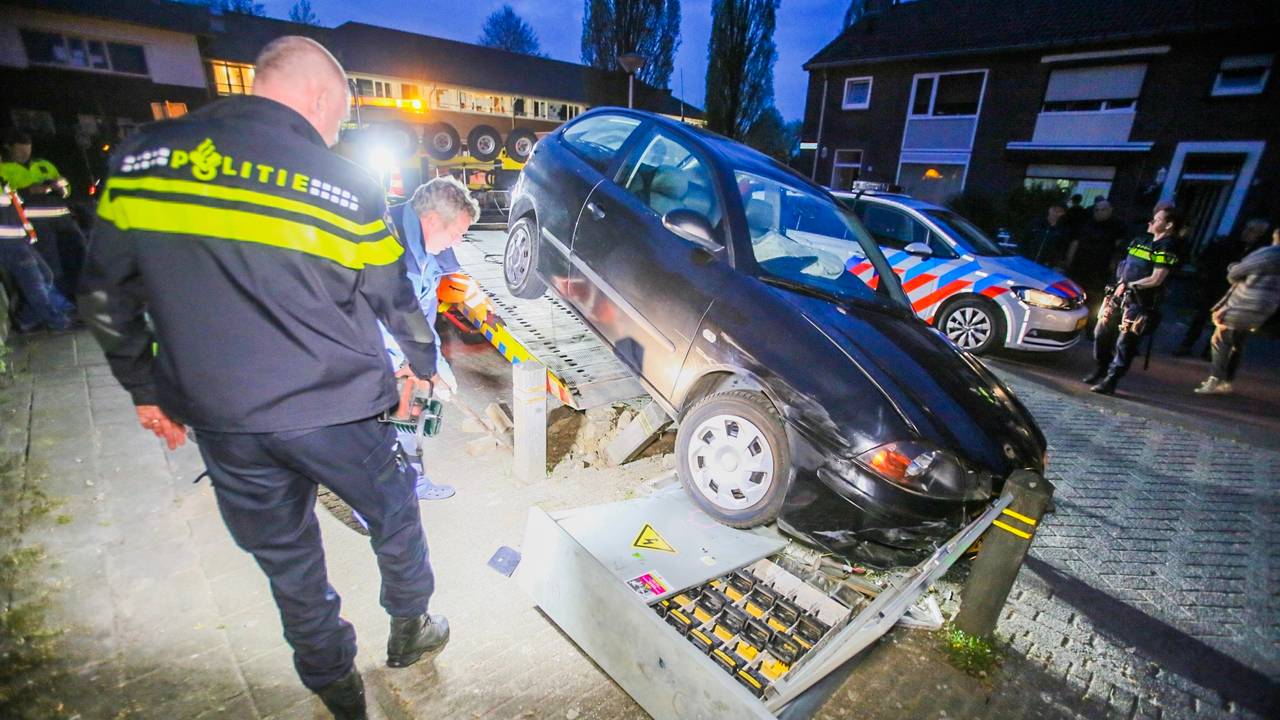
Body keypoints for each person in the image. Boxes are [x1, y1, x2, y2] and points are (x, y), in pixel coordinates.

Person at [79, 37, 448, 720]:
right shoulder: (342, 182)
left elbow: (104, 296)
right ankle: (409, 627)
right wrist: (422, 369)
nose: (334, 131)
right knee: (394, 508)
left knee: (288, 559)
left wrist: (146, 390)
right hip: (337, 409)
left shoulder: (144, 161)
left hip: (224, 419)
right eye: (337, 116)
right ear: (315, 95)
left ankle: (334, 685)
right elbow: (395, 298)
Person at [380, 176, 481, 501]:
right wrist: (415, 365)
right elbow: (381, 315)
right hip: (369, 355)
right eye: (455, 234)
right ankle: (373, 506)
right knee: (372, 435)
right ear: (432, 219)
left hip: (404, 350)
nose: (456, 241)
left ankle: (415, 483)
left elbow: (424, 313)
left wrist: (434, 362)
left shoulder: (433, 250)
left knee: (407, 413)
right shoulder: (386, 241)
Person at [1084, 206, 1184, 395]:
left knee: (1125, 341)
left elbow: (1157, 278)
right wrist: (1121, 284)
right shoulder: (1141, 241)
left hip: (1140, 302)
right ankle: (1101, 367)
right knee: (1101, 332)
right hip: (1119, 295)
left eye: (1157, 220)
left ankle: (1112, 379)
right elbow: (1125, 265)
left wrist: (1131, 286)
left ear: (1169, 225)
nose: (1151, 222)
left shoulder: (1167, 247)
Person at [1, 129, 88, 303]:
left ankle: (84, 300)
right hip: (35, 224)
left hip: (64, 220)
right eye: (20, 150)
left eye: (28, 149)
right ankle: (61, 306)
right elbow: (7, 197)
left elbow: (66, 189)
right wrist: (27, 191)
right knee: (51, 267)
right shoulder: (4, 169)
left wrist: (59, 186)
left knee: (80, 257)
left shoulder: (44, 164)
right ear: (10, 149)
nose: (25, 153)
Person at [1195, 227, 1280, 394]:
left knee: (1220, 339)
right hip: (1267, 307)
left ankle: (1215, 379)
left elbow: (1236, 273)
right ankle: (1227, 381)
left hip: (1244, 303)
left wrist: (1233, 268)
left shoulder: (1267, 254)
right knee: (1237, 341)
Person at [1175, 218, 1271, 357]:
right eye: (1246, 229)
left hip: (1236, 292)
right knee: (1200, 317)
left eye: (1251, 231)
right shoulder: (1227, 245)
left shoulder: (1259, 253)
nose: (1246, 233)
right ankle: (1186, 345)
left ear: (1259, 234)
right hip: (1215, 286)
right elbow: (1209, 260)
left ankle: (1210, 350)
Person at [1, 181, 71, 332]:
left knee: (46, 277)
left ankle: (27, 320)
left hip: (20, 239)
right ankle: (56, 321)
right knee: (35, 283)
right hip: (8, 242)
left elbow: (17, 208)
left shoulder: (4, 183)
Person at [1062, 199, 1128, 305]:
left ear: (1110, 210)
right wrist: (1069, 260)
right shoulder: (1086, 223)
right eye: (1097, 210)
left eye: (1103, 210)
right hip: (1079, 266)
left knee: (1093, 298)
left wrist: (1113, 266)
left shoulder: (1117, 226)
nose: (1099, 212)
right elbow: (1075, 242)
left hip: (1100, 270)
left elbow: (1118, 248)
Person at [1024, 202, 1069, 266]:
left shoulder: (1062, 230)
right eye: (1054, 209)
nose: (1055, 213)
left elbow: (1060, 249)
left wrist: (1053, 263)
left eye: (1060, 211)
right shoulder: (1036, 223)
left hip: (1045, 265)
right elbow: (1024, 238)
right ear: (1049, 209)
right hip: (1026, 259)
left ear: (1063, 214)